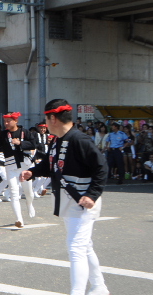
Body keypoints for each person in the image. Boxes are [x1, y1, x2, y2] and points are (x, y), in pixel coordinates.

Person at [20, 99, 109, 295]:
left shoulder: (80, 140)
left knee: (76, 247)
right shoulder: (58, 140)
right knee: (84, 247)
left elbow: (101, 167)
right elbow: (51, 166)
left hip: (83, 202)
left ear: (53, 118)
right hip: (69, 202)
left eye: (46, 117)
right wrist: (32, 172)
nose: (45, 122)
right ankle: (99, 287)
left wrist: (93, 195)